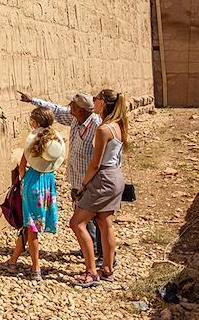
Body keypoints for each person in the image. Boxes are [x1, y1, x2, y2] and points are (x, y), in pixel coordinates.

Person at [18, 91, 106, 263]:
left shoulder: (98, 126)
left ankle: (104, 256)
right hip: (77, 177)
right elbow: (55, 110)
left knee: (98, 218)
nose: (69, 107)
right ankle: (91, 248)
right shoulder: (74, 118)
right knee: (83, 215)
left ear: (81, 109)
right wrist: (32, 100)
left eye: (72, 104)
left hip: (92, 178)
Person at [69, 89, 128, 287]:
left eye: (95, 99)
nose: (93, 102)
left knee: (77, 223)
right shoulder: (117, 126)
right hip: (115, 176)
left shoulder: (103, 130)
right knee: (105, 223)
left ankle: (91, 272)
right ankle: (108, 270)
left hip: (102, 178)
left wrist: (83, 185)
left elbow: (95, 163)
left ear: (102, 103)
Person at [5, 106, 65, 281]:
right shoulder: (54, 142)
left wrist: (22, 181)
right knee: (28, 224)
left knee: (31, 228)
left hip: (32, 182)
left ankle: (35, 268)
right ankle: (13, 261)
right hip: (47, 182)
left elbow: (22, 165)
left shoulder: (33, 142)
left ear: (35, 122)